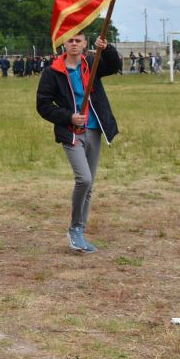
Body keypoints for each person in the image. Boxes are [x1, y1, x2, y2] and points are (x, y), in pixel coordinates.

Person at [36, 32, 120, 253]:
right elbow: (43, 105)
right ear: (64, 43)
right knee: (84, 179)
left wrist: (107, 48)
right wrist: (68, 117)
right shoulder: (52, 72)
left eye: (78, 41)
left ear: (85, 44)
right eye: (70, 40)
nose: (74, 44)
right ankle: (74, 228)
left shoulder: (92, 63)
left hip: (94, 130)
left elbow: (113, 65)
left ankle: (79, 231)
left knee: (89, 184)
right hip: (71, 133)